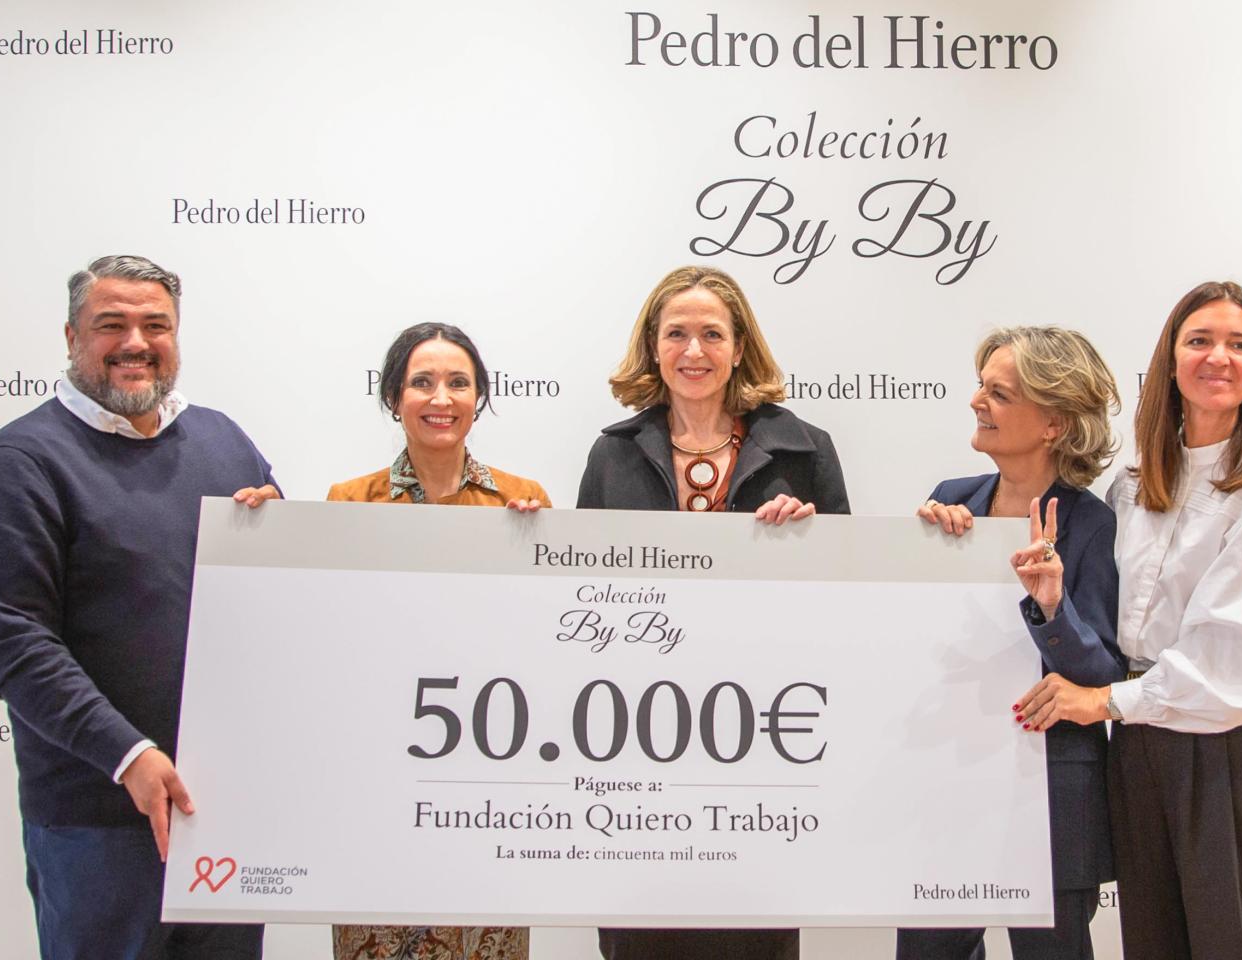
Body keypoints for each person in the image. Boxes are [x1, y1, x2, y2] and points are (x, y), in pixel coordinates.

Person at [0, 255, 278, 960]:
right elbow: (14, 642)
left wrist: (281, 540)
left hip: (224, 815)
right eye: (112, 325)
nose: (136, 342)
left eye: (155, 324)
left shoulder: (225, 443)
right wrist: (128, 754)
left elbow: (273, 606)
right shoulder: (20, 462)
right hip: (97, 822)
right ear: (71, 337)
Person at [1014, 282, 1242, 960]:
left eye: (1240, 345)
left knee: (1236, 939)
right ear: (1170, 362)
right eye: (1200, 340)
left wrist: (1109, 701)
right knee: (1153, 938)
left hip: (1224, 745)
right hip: (1141, 747)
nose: (1219, 357)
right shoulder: (1135, 483)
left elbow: (1236, 658)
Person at [578, 265, 849, 960]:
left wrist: (811, 538)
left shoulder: (806, 450)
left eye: (711, 334)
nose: (693, 351)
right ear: (653, 346)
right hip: (639, 740)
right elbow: (579, 595)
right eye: (676, 334)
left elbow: (849, 591)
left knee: (753, 929)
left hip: (763, 738)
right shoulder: (611, 454)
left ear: (739, 348)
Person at [325, 321, 545, 960]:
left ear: (479, 397)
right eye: (422, 382)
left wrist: (535, 551)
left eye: (458, 382)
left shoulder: (522, 501)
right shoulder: (349, 502)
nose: (441, 398)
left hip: (488, 780)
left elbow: (546, 643)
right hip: (378, 781)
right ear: (395, 397)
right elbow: (332, 638)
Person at [905, 327, 1126, 960]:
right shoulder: (949, 502)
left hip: (1055, 798)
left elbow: (1102, 671)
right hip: (947, 786)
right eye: (982, 386)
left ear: (1054, 422)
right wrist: (916, 556)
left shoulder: (1091, 522)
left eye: (998, 393)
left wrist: (1052, 604)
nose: (977, 401)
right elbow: (912, 646)